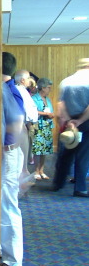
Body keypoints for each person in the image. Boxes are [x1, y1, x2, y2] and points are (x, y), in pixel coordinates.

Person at [0, 52, 25, 266]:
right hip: (6, 153)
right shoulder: (9, 89)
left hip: (7, 154)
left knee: (7, 207)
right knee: (2, 205)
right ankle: (2, 251)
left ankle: (13, 259)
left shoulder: (9, 92)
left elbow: (17, 128)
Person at [53, 58, 89, 197]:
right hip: (86, 122)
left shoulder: (67, 81)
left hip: (69, 123)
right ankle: (80, 188)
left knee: (65, 154)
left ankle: (58, 183)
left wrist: (69, 120)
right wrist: (79, 120)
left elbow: (61, 103)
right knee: (83, 156)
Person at [14, 70, 38, 172]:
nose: (30, 80)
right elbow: (24, 109)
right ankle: (23, 171)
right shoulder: (18, 90)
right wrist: (28, 124)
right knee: (22, 151)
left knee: (26, 150)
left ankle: (24, 170)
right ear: (22, 80)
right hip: (24, 124)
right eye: (28, 78)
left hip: (27, 123)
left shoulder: (23, 90)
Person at [31, 78, 54, 180]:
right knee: (38, 150)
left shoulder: (47, 99)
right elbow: (33, 111)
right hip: (39, 126)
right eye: (48, 88)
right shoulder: (35, 98)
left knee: (45, 150)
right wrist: (46, 114)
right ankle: (36, 171)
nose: (50, 90)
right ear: (43, 88)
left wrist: (51, 115)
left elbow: (51, 111)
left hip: (47, 126)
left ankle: (42, 170)